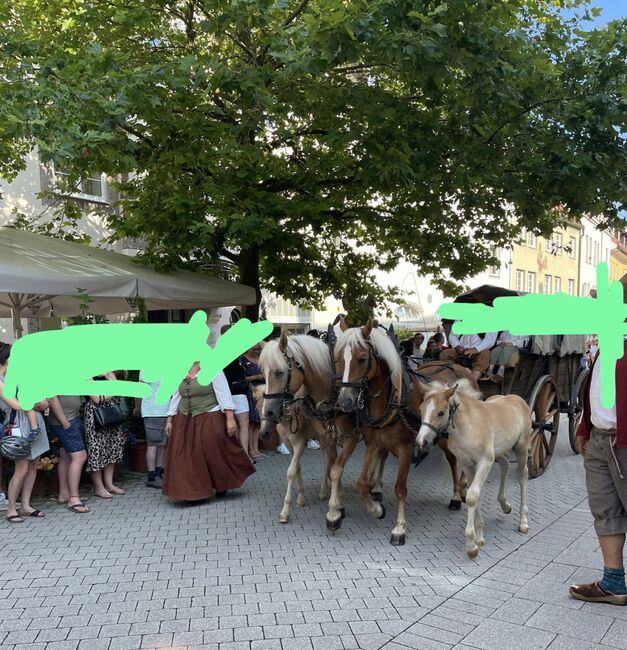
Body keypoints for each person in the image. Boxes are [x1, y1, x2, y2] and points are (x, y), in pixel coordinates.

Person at [570, 273, 627, 605]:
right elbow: (596, 388)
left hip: (624, 441)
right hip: (600, 440)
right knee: (605, 511)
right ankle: (614, 582)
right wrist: (584, 428)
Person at [163, 361, 255, 502]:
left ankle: (222, 483)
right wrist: (170, 419)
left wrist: (229, 418)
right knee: (185, 453)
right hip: (185, 417)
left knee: (211, 451)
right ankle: (196, 491)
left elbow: (223, 392)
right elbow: (176, 396)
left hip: (209, 413)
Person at [0, 342, 51, 522]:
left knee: (32, 466)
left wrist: (41, 402)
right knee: (20, 469)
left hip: (34, 422)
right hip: (17, 425)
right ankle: (11, 508)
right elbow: (16, 405)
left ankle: (26, 505)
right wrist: (38, 403)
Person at [83, 371, 127, 499]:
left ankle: (109, 484)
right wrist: (113, 389)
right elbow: (97, 398)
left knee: (112, 447)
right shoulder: (87, 375)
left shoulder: (107, 372)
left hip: (110, 412)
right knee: (96, 449)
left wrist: (110, 379)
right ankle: (99, 487)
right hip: (95, 415)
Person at [47, 395, 89, 513]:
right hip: (65, 419)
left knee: (65, 455)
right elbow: (52, 397)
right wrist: (64, 421)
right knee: (79, 456)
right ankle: (74, 499)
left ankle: (64, 494)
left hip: (71, 417)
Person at [221, 325, 255, 462]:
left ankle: (237, 456)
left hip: (228, 393)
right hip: (237, 392)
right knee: (243, 425)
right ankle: (244, 456)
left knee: (235, 426)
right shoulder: (233, 349)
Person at [134, 371, 171, 488]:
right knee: (153, 444)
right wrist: (138, 407)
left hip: (165, 410)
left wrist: (137, 407)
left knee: (162, 444)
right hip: (153, 410)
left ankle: (159, 472)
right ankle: (151, 476)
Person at [241, 344, 265, 460]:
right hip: (250, 392)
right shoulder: (243, 361)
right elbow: (242, 378)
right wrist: (256, 377)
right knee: (251, 423)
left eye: (258, 349)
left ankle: (256, 449)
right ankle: (251, 450)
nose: (256, 351)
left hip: (261, 392)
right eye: (254, 349)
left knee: (258, 422)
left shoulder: (260, 359)